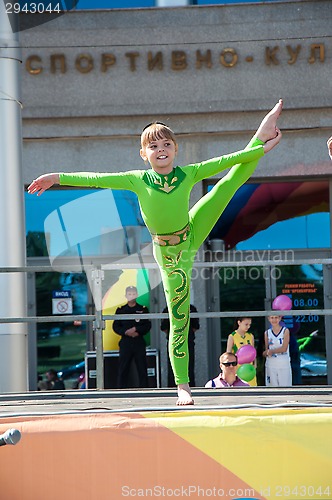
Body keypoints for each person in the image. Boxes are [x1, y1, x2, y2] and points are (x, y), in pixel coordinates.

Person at [27, 100, 282, 405]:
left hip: (192, 228)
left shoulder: (188, 173)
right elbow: (95, 178)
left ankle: (261, 130)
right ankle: (183, 386)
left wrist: (259, 149)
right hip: (172, 254)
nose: (161, 149)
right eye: (153, 145)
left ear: (175, 149)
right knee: (179, 316)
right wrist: (56, 177)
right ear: (143, 154)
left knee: (227, 184)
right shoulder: (139, 179)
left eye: (166, 144)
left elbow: (226, 161)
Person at [113, 286, 151, 389]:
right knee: (123, 368)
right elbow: (115, 326)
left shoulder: (142, 309)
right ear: (126, 296)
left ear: (137, 295)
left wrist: (136, 330)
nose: (131, 296)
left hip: (138, 342)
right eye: (129, 294)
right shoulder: (121, 310)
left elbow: (147, 325)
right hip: (126, 342)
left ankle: (145, 390)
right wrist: (126, 332)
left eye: (133, 294)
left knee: (142, 368)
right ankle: (121, 390)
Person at [161, 303, 199, 387]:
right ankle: (172, 388)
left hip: (188, 342)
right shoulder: (168, 308)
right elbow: (164, 328)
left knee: (189, 366)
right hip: (174, 343)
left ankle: (190, 387)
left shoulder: (191, 308)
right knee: (172, 367)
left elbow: (195, 327)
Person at [226, 317, 257, 386]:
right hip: (239, 369)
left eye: (249, 325)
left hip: (250, 369)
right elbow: (228, 354)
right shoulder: (232, 336)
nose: (248, 327)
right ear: (239, 322)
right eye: (246, 324)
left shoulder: (250, 336)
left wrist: (255, 365)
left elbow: (253, 352)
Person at [263, 315, 292, 387]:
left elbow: (284, 348)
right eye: (272, 318)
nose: (274, 320)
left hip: (283, 363)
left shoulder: (285, 331)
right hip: (271, 364)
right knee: (272, 388)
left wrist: (271, 351)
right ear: (269, 318)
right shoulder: (267, 333)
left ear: (280, 318)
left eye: (276, 318)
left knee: (285, 387)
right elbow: (266, 350)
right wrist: (266, 353)